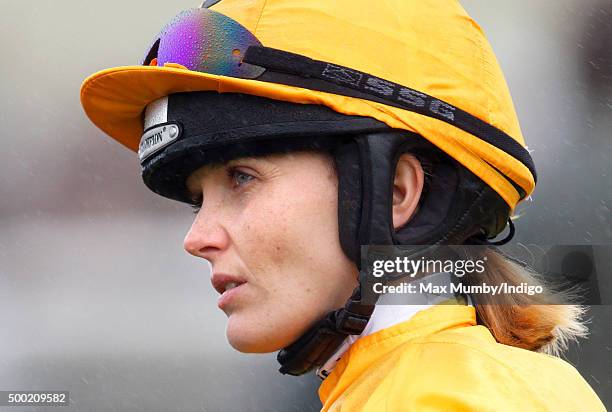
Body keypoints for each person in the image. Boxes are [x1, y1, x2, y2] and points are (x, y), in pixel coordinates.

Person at [80, 0, 607, 410]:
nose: (197, 239)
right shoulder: (409, 385)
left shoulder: (452, 399)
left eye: (242, 179)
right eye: (198, 202)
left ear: (397, 193)